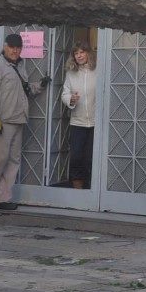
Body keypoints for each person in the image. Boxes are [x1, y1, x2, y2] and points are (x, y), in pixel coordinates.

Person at [0, 33, 49, 211]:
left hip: (19, 119)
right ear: (5, 46)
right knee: (0, 158)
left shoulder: (20, 66)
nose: (15, 51)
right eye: (12, 47)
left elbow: (24, 90)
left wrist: (39, 85)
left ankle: (0, 198)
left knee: (13, 160)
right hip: (2, 121)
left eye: (18, 48)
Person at [60, 44, 97, 189]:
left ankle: (91, 189)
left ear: (88, 54)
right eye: (76, 53)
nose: (79, 55)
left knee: (90, 158)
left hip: (95, 122)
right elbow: (65, 93)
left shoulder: (98, 71)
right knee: (76, 157)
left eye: (82, 52)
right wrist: (71, 99)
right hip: (77, 122)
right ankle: (77, 190)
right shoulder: (71, 74)